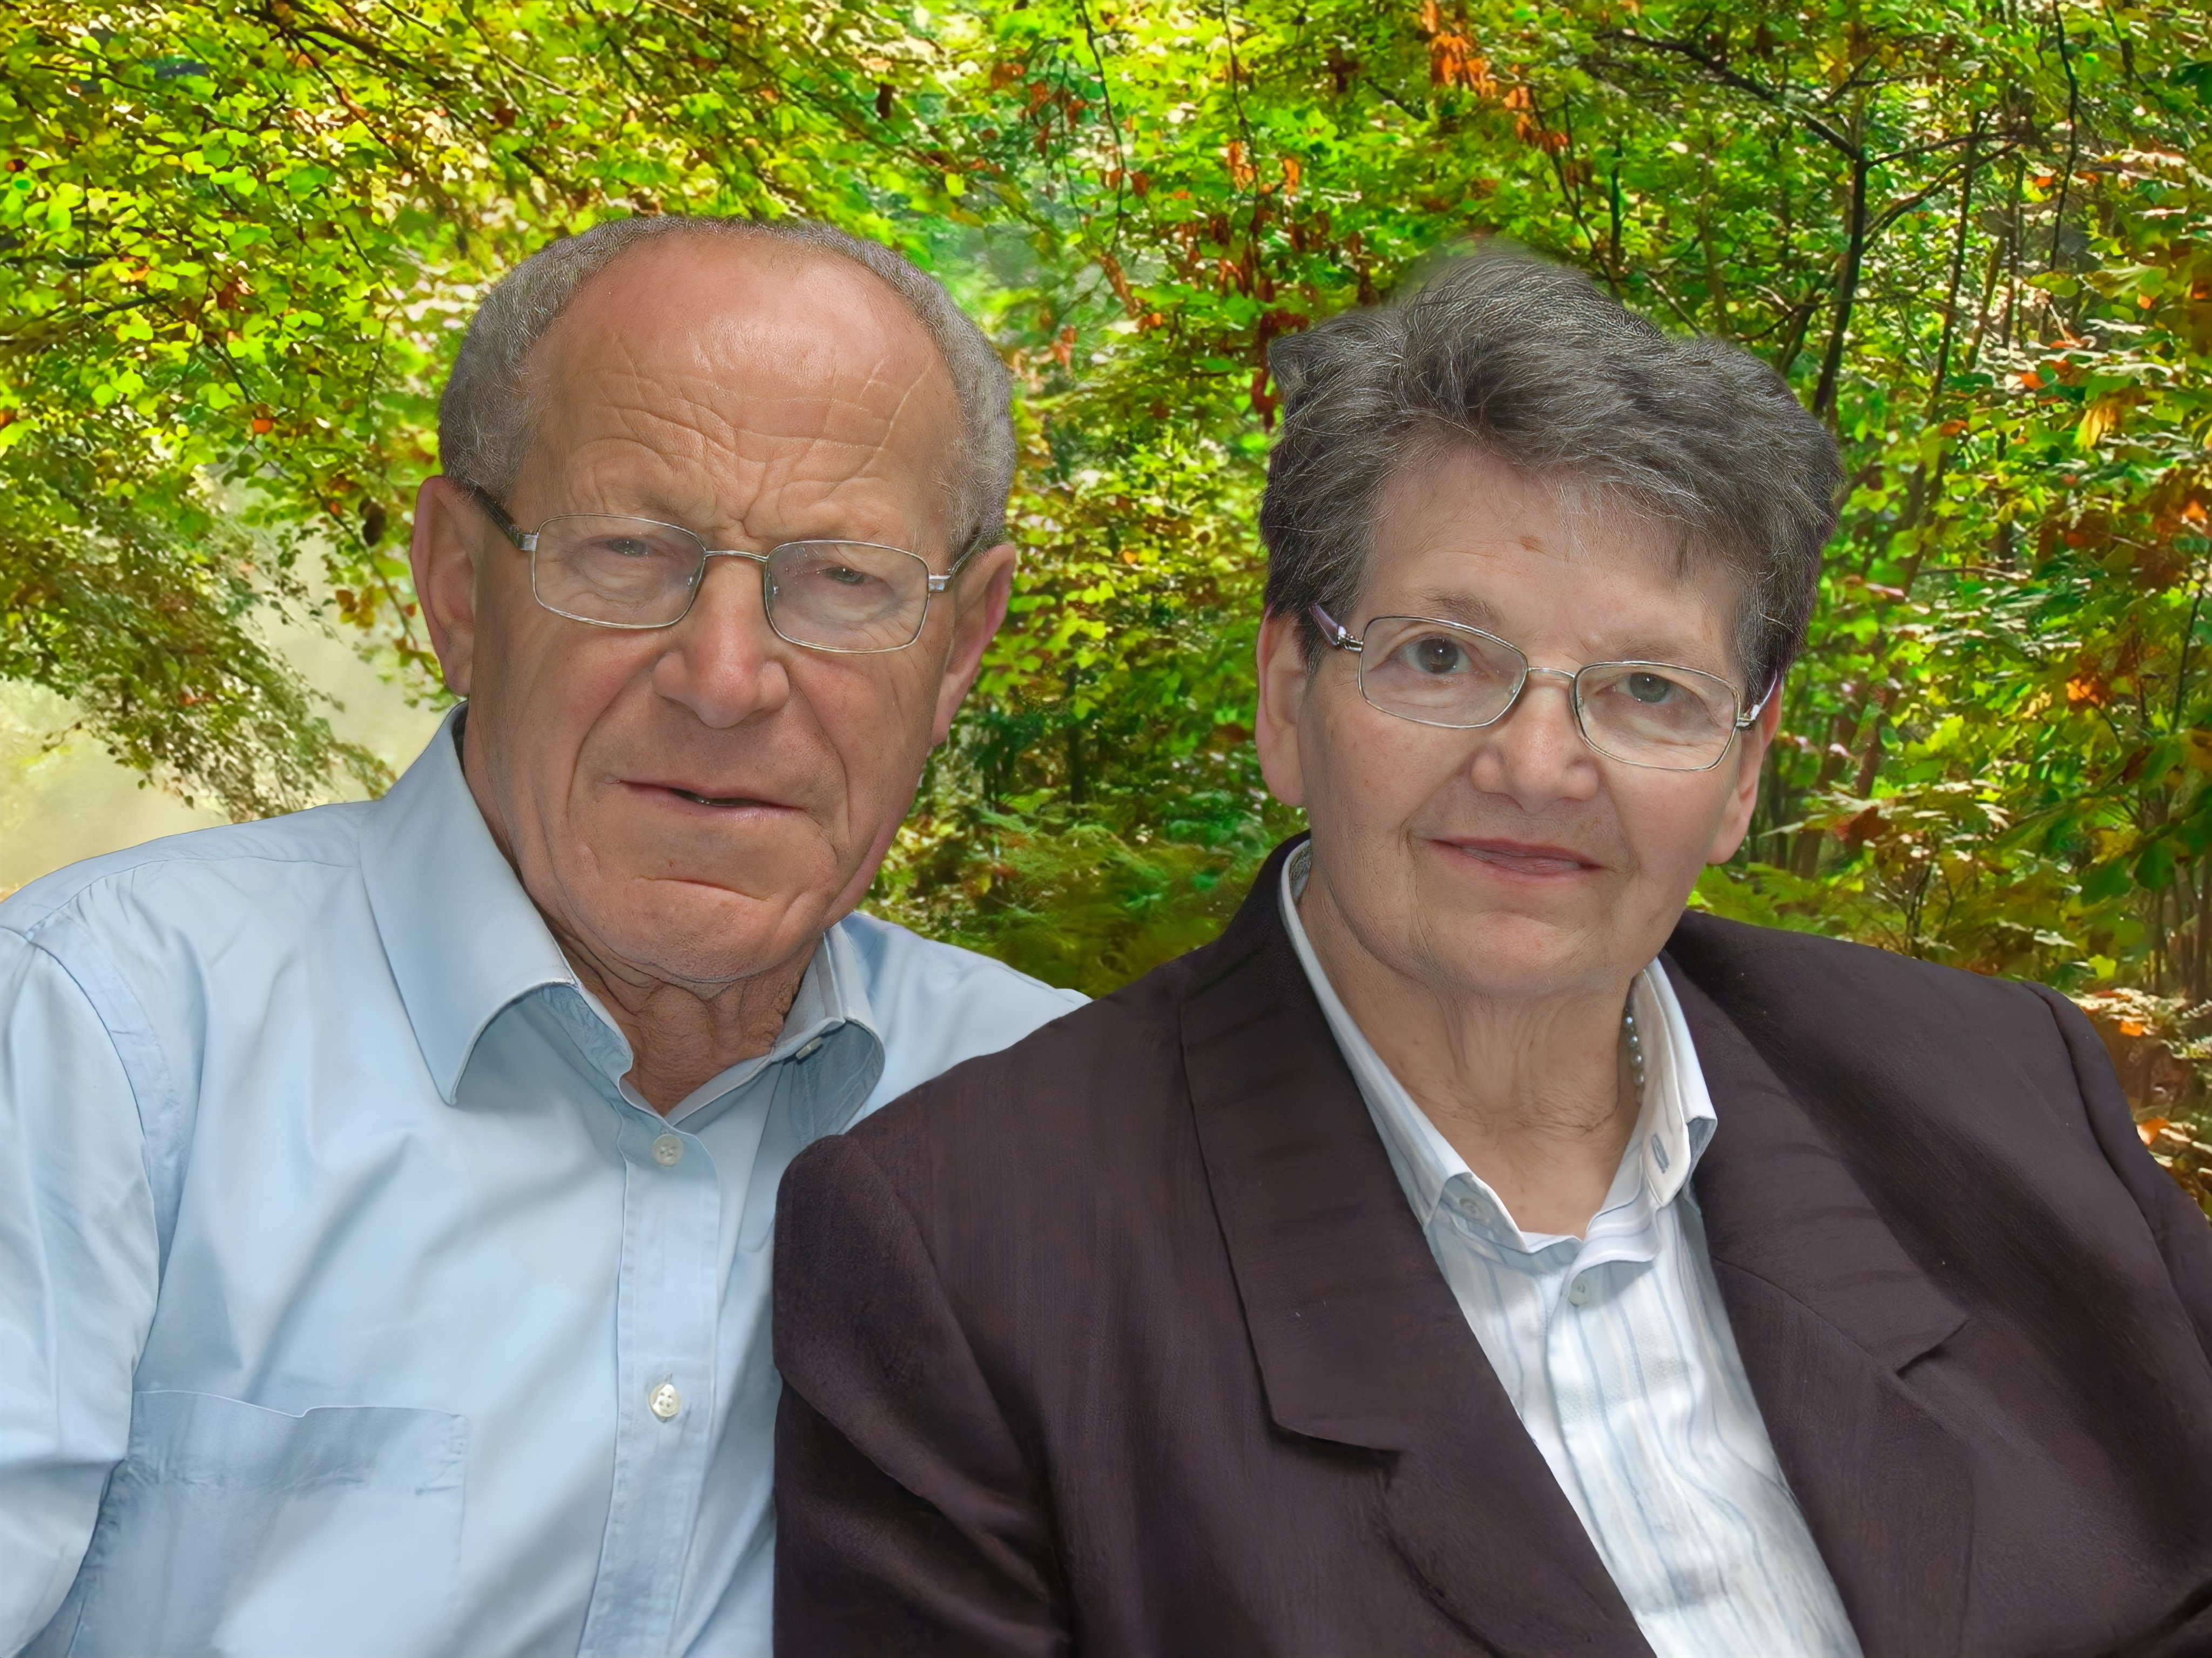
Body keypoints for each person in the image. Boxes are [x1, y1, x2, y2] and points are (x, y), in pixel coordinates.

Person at [769, 247, 2212, 1657]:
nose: (1537, 767)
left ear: (1744, 769)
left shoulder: (2006, 1093)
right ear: (1288, 697)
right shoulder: (970, 1254)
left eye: (1647, 689)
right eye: (1442, 657)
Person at [0, 215, 1083, 1658]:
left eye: (841, 581)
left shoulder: (1061, 1119)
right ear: (458, 586)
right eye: (630, 553)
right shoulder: (104, 1031)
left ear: (959, 649)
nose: (727, 677)